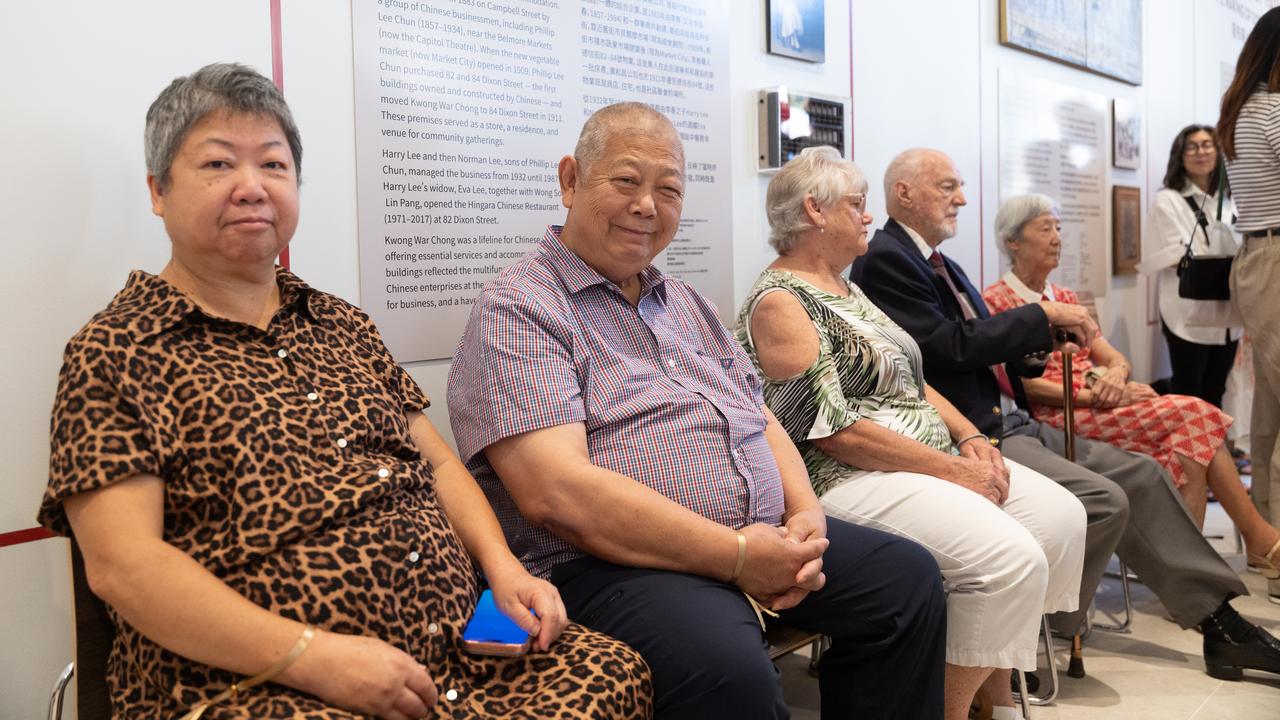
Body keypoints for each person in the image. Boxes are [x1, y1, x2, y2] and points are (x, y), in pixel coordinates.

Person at [36, 63, 651, 719]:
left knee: (614, 672)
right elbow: (124, 566)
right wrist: (315, 657)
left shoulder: (342, 323)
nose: (251, 188)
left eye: (273, 166)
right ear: (159, 190)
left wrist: (504, 570)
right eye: (218, 165)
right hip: (252, 686)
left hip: (453, 656)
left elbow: (438, 463)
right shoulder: (115, 350)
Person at [448, 103, 948, 719]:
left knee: (907, 582)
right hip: (607, 562)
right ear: (571, 180)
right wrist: (737, 557)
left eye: (669, 189)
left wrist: (805, 516)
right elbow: (556, 493)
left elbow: (758, 418)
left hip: (758, 536)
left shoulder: (687, 303)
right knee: (728, 675)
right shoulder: (519, 306)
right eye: (626, 181)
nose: (647, 206)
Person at [849, 147, 1280, 681]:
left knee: (1143, 474)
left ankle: (1221, 623)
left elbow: (984, 346)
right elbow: (943, 346)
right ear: (904, 194)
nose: (961, 198)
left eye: (959, 185)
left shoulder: (940, 261)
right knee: (1104, 501)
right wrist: (1041, 316)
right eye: (947, 186)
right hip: (970, 431)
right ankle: (1037, 627)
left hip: (1009, 418)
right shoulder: (888, 258)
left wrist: (1048, 338)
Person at [736, 147, 1085, 720]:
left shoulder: (847, 287)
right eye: (857, 204)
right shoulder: (781, 301)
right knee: (1011, 558)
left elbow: (911, 379)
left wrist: (973, 438)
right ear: (814, 212)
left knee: (1060, 520)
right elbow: (831, 431)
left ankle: (987, 699)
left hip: (927, 458)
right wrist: (952, 470)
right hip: (848, 477)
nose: (868, 216)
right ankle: (952, 710)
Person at [983, 193, 1279, 579]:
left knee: (1191, 437)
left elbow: (1114, 358)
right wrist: (1095, 395)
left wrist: (1117, 378)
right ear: (1013, 241)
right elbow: (1022, 388)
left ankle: (1196, 571)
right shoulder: (996, 301)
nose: (1057, 237)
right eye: (1045, 228)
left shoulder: (1066, 298)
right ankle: (1250, 545)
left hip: (1097, 403)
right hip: (1060, 417)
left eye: (1058, 227)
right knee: (1194, 414)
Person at [1219, 5, 1280, 605]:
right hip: (1277, 257)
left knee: (1270, 413)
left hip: (1259, 259)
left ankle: (1268, 546)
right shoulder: (1274, 109)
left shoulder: (1244, 108)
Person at [1140, 125, 1243, 409]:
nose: (1201, 152)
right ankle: (1186, 453)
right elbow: (1172, 253)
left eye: (1208, 144)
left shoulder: (1231, 199)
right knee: (1188, 396)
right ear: (1180, 155)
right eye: (1193, 146)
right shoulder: (1168, 200)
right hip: (1186, 316)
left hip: (1228, 315)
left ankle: (1212, 453)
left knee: (1216, 393)